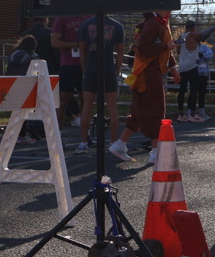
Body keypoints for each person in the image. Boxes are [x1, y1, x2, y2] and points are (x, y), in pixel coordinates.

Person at [109, 11, 180, 164]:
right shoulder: (154, 23)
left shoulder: (159, 22)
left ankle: (120, 144)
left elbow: (165, 48)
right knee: (156, 109)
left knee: (138, 110)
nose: (172, 9)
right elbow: (143, 48)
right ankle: (155, 151)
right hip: (148, 72)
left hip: (148, 71)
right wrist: (166, 48)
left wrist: (173, 67)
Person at [76, 14, 125, 154]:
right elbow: (120, 52)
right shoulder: (117, 26)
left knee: (87, 106)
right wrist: (117, 70)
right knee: (112, 107)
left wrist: (85, 69)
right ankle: (113, 142)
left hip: (91, 68)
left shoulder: (86, 24)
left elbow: (82, 51)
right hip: (108, 68)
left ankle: (83, 143)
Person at [176, 20, 215, 122]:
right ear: (193, 27)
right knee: (193, 90)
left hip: (182, 66)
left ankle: (181, 113)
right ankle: (191, 113)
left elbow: (178, 51)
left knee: (182, 90)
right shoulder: (194, 35)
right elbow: (206, 33)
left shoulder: (181, 37)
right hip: (192, 66)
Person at [51, 15, 88, 129]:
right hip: (68, 64)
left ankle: (86, 134)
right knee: (63, 100)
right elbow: (55, 42)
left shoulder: (89, 17)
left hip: (86, 64)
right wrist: (76, 44)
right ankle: (57, 133)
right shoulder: (62, 18)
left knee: (86, 100)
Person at [7, 35, 44, 143]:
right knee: (25, 112)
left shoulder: (13, 55)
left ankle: (14, 134)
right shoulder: (34, 57)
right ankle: (21, 135)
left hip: (13, 85)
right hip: (27, 86)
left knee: (16, 111)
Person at [194, 41, 214, 121]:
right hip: (194, 73)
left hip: (203, 73)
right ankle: (192, 112)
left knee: (202, 93)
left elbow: (210, 56)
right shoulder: (190, 47)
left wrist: (202, 55)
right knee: (193, 93)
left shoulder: (204, 47)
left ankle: (202, 111)